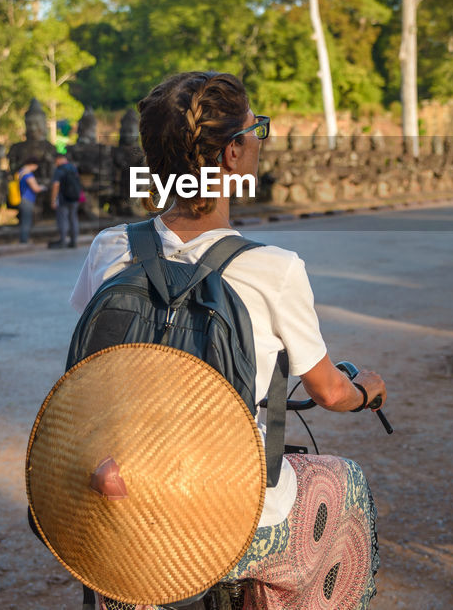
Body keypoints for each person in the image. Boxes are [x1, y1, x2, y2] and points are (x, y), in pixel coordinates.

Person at [67, 71, 386, 609]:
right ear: (234, 153)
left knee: (123, 534)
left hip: (127, 502)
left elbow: (94, 367)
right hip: (232, 517)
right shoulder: (273, 269)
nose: (260, 140)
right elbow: (330, 392)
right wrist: (367, 390)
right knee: (344, 483)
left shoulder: (108, 248)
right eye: (256, 130)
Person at [48, 151, 82, 249]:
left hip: (63, 199)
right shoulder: (73, 168)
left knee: (63, 219)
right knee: (73, 218)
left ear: (59, 160)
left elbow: (56, 185)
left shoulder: (59, 170)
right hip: (75, 198)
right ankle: (74, 241)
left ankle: (63, 241)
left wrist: (53, 200)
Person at [15, 160, 46, 243]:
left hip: (20, 198)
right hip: (27, 199)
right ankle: (24, 240)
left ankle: (23, 239)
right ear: (32, 164)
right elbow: (35, 188)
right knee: (27, 221)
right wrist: (43, 187)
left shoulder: (20, 172)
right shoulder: (28, 174)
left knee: (24, 220)